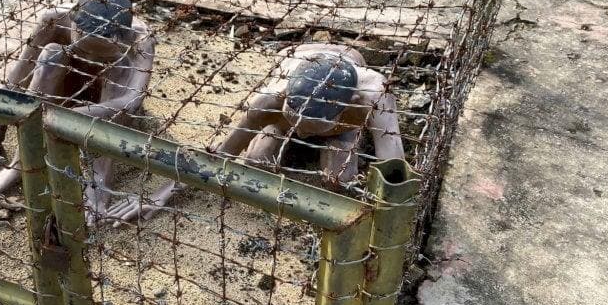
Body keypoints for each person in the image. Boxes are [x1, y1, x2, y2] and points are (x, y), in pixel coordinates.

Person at [104, 42, 404, 223]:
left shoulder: (373, 96)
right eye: (296, 123)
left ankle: (339, 137)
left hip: (341, 124)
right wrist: (158, 198)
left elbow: (394, 166)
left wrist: (383, 218)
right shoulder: (270, 100)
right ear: (285, 97)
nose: (305, 134)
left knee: (340, 182)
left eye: (312, 129)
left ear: (348, 105)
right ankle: (292, 130)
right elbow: (221, 153)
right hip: (295, 71)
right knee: (254, 164)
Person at [0, 0, 155, 213]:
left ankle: (98, 179)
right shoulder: (54, 19)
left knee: (119, 67)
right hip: (55, 95)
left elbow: (131, 102)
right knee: (52, 53)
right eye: (83, 51)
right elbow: (18, 78)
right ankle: (20, 164)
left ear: (120, 38)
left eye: (100, 54)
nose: (90, 59)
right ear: (73, 24)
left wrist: (70, 118)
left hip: (106, 111)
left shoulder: (141, 40)